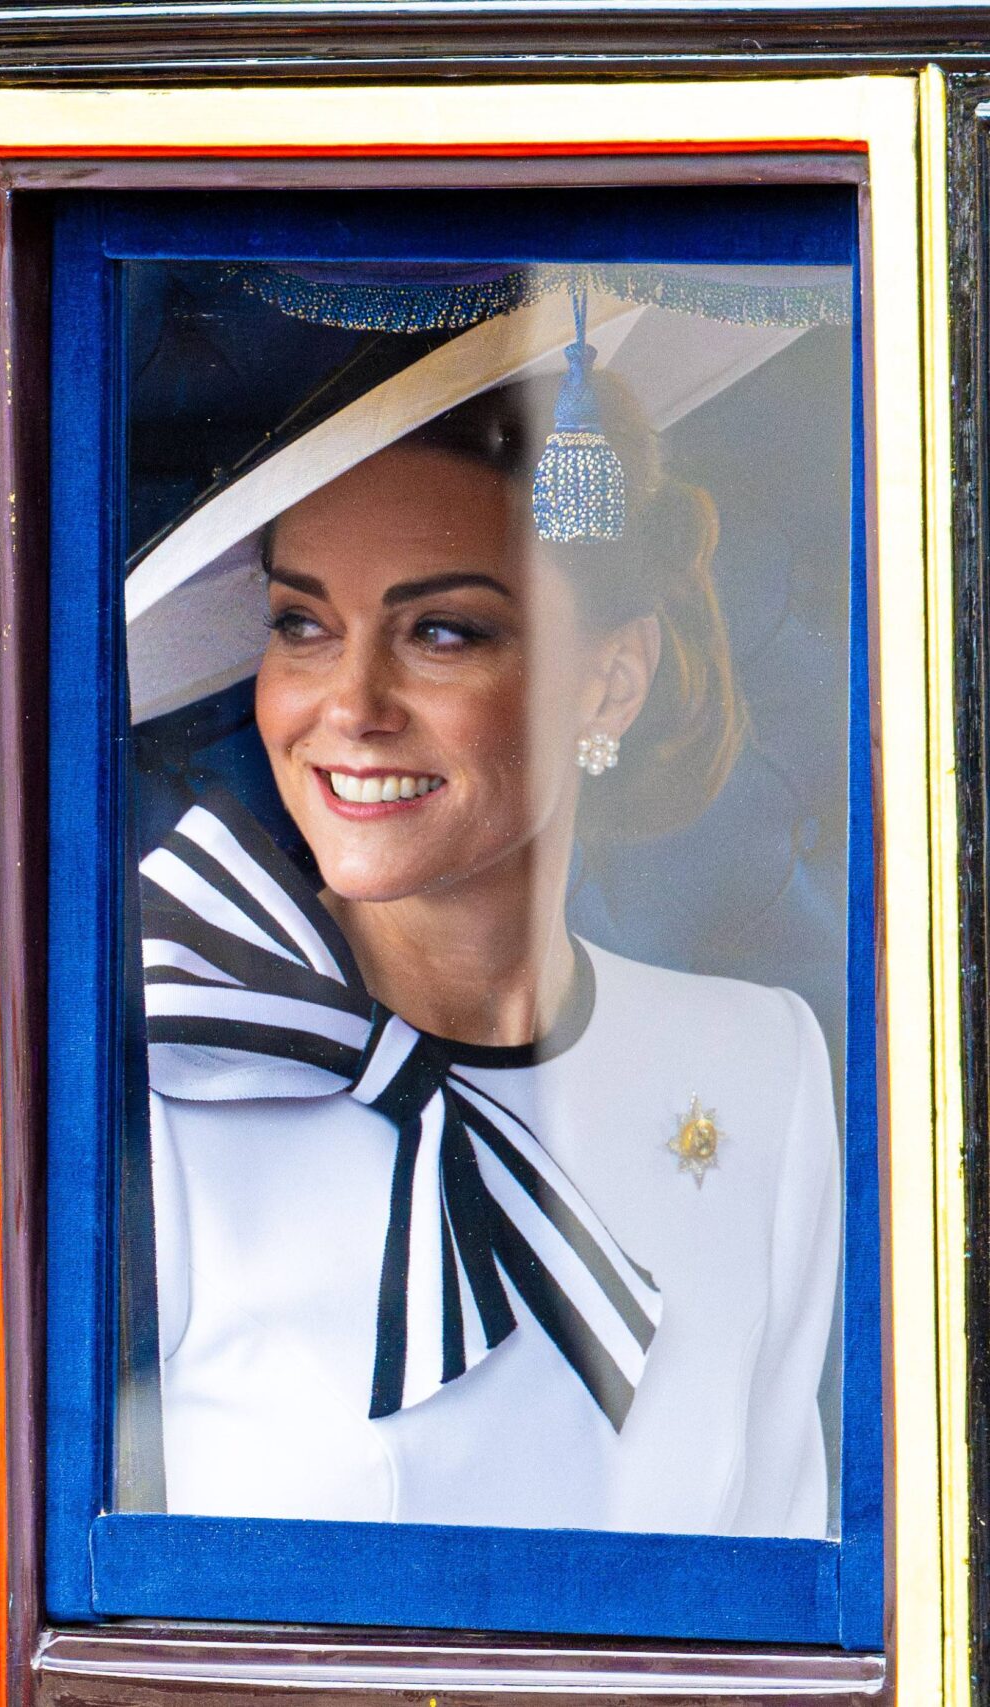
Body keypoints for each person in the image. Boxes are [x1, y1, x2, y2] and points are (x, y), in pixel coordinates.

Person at [136, 320, 842, 1539]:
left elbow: (787, 1565)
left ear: (608, 683)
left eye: (441, 631)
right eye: (302, 624)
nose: (347, 708)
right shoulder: (168, 1062)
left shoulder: (760, 1070)